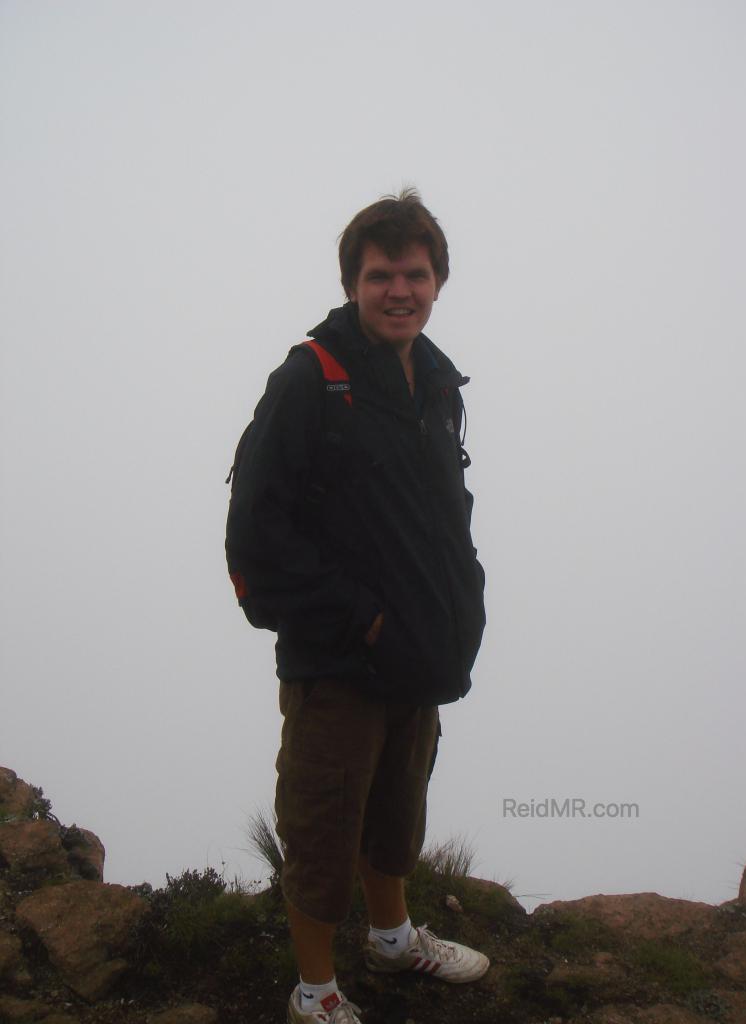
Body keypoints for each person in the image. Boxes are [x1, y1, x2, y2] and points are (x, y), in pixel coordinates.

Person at [225, 189, 487, 1024]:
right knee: (323, 828)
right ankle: (316, 991)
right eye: (381, 276)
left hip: (417, 652)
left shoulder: (435, 382)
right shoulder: (312, 378)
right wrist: (359, 618)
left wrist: (461, 607)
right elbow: (255, 540)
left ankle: (392, 939)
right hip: (338, 662)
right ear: (352, 283)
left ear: (438, 280)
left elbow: (447, 513)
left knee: (396, 812)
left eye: (415, 273)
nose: (399, 290)